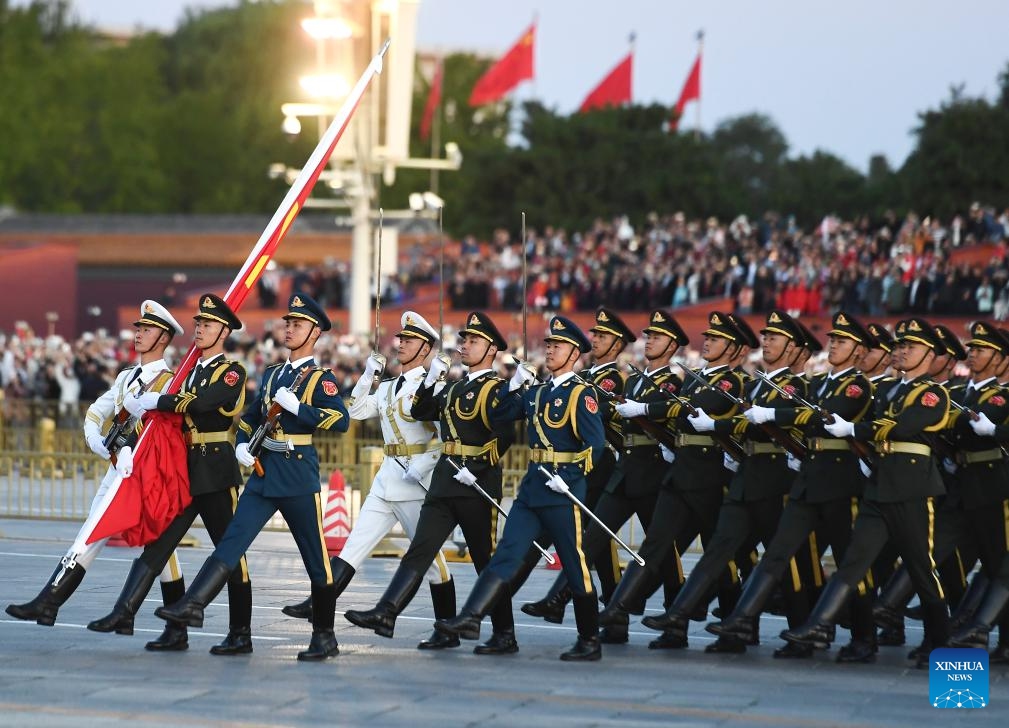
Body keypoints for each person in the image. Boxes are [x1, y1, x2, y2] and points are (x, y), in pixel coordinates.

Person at [154, 293, 350, 661]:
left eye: (297, 324)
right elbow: (250, 416)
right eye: (287, 323)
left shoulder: (321, 379)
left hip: (296, 474)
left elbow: (341, 420)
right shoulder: (275, 373)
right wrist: (243, 443)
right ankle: (192, 604)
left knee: (315, 559)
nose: (289, 329)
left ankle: (324, 635)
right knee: (231, 542)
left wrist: (302, 410)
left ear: (314, 333)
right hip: (263, 474)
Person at [280, 311, 458, 651]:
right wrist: (368, 377)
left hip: (414, 482)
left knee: (432, 561)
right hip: (387, 476)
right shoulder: (390, 387)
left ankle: (446, 629)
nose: (401, 344)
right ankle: (319, 601)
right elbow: (355, 411)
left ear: (425, 349)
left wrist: (423, 465)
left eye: (409, 341)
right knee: (353, 547)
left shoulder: (432, 388)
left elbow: (442, 438)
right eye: (401, 339)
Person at [86, 293, 252, 654]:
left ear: (223, 331)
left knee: (231, 552)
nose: (199, 329)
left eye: (207, 325)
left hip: (216, 471)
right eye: (197, 324)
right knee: (160, 543)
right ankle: (126, 611)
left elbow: (204, 403)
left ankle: (241, 633)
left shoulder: (233, 371)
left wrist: (159, 400)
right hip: (185, 469)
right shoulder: (188, 371)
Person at [5, 300, 185, 632]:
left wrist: (131, 445)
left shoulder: (169, 383)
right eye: (139, 328)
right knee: (157, 545)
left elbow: (164, 432)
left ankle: (50, 600)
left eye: (147, 330)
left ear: (163, 338)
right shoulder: (127, 376)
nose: (139, 334)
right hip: (118, 469)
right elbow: (95, 413)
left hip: (143, 474)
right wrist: (98, 443)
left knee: (95, 534)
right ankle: (174, 624)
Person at [707, 311, 877, 662]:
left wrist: (772, 416)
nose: (834, 345)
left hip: (841, 482)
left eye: (842, 342)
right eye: (833, 339)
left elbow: (818, 418)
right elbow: (809, 419)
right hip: (810, 477)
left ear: (859, 352)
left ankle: (865, 635)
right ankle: (742, 619)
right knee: (778, 553)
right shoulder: (821, 384)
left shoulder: (858, 386)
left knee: (849, 562)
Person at [434, 316, 607, 660]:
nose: (551, 350)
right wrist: (515, 384)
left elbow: (595, 445)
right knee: (506, 554)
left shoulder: (581, 393)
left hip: (562, 490)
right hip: (533, 488)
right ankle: (471, 617)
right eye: (549, 345)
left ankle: (589, 639)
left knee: (574, 564)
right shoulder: (539, 390)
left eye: (558, 346)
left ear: (575, 353)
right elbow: (500, 417)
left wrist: (570, 475)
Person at [344, 312, 518, 654]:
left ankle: (505, 633)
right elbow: (421, 410)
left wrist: (480, 464)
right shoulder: (453, 386)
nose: (465, 346)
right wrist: (430, 380)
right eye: (465, 340)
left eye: (474, 342)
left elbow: (506, 434)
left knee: (486, 560)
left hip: (476, 485)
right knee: (420, 550)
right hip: (444, 482)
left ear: (492, 349)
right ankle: (386, 611)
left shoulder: (495, 389)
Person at [783, 317, 951, 669]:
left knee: (922, 570)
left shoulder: (934, 393)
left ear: (930, 354)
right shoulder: (889, 390)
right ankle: (821, 625)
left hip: (911, 489)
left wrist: (855, 428)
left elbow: (903, 426)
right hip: (879, 487)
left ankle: (940, 642)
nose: (903, 352)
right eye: (901, 345)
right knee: (853, 564)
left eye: (912, 347)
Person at [639, 310, 810, 655]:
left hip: (778, 478)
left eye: (775, 338)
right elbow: (740, 422)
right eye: (766, 337)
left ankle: (803, 629)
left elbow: (783, 423)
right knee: (724, 550)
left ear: (793, 348)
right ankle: (692, 618)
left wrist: (724, 427)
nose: (767, 342)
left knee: (785, 558)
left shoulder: (794, 385)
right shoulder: (759, 383)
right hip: (748, 475)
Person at [602, 311, 747, 648]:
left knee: (718, 554)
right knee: (656, 545)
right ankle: (621, 610)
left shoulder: (732, 382)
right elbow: (677, 411)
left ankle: (733, 624)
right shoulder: (695, 379)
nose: (707, 341)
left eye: (716, 338)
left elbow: (682, 411)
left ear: (734, 347)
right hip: (681, 470)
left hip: (710, 475)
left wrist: (647, 411)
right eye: (707, 336)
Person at [520, 307, 634, 623]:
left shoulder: (612, 378)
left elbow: (601, 412)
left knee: (594, 537)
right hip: (576, 467)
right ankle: (605, 610)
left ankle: (602, 607)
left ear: (618, 344)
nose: (595, 339)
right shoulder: (583, 378)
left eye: (603, 336)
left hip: (600, 462)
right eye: (594, 333)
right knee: (594, 538)